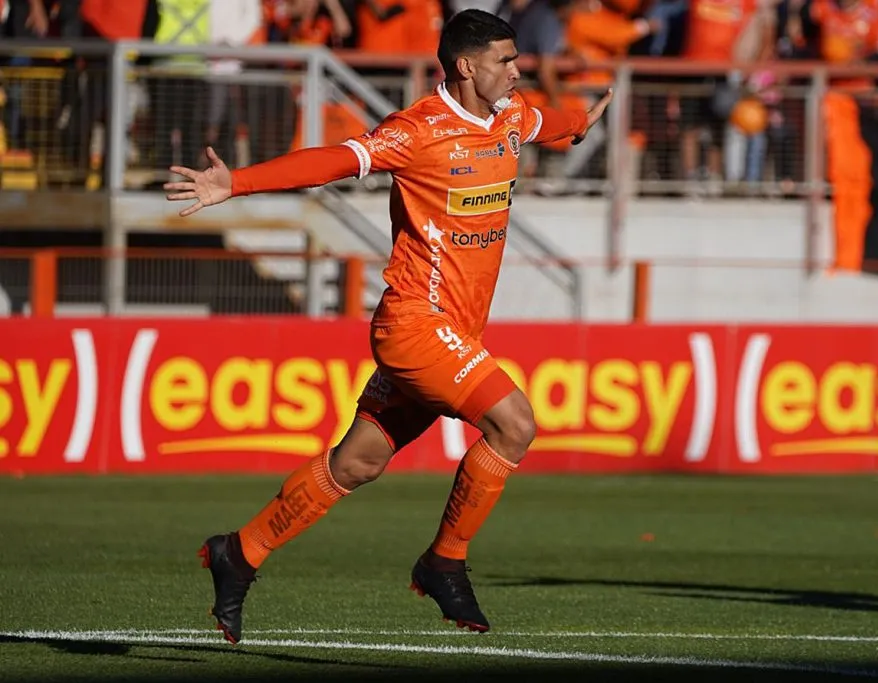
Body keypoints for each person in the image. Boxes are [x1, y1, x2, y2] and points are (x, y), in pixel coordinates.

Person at [164, 8, 612, 644]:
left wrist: (578, 125)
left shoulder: (510, 116)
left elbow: (547, 122)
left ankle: (241, 551)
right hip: (415, 326)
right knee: (514, 424)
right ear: (465, 65)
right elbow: (333, 161)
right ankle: (445, 561)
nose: (516, 71)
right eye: (505, 61)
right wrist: (236, 183)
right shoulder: (418, 130)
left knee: (358, 463)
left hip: (455, 330)